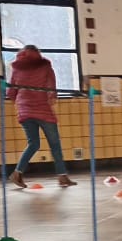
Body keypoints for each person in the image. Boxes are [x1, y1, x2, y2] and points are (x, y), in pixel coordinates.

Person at [7, 45, 76, 188]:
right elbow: (51, 88)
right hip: (42, 110)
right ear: (38, 53)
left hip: (24, 110)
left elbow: (11, 93)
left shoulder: (17, 68)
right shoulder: (45, 66)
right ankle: (62, 176)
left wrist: (22, 102)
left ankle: (17, 173)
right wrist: (51, 97)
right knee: (54, 144)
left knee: (33, 144)